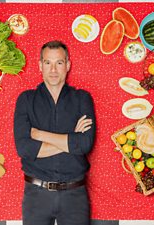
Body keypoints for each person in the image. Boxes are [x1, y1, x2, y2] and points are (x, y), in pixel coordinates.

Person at [14, 40, 96, 225]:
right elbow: (24, 148)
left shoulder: (82, 98)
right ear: (40, 65)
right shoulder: (26, 100)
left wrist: (39, 135)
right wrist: (70, 140)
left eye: (59, 63)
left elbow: (84, 145)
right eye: (47, 63)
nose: (53, 69)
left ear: (67, 65)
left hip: (75, 195)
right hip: (36, 195)